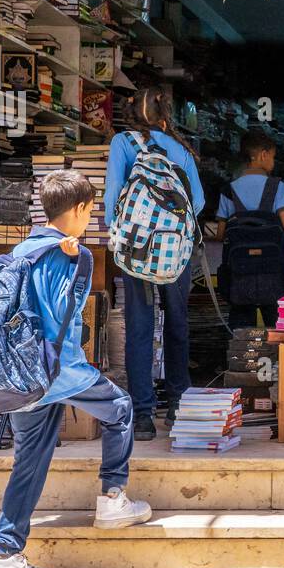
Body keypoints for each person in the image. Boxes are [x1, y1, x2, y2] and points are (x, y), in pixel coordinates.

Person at [0, 170, 152, 568]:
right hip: (56, 370)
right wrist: (77, 264)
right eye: (91, 209)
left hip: (18, 373)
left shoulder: (20, 250)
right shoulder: (71, 253)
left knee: (30, 463)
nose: (91, 217)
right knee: (120, 409)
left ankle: (5, 557)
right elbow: (60, 318)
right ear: (78, 209)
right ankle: (113, 499)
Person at [104, 87, 205, 440]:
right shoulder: (182, 149)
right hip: (175, 254)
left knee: (140, 327)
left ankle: (143, 415)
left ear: (132, 115)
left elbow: (113, 193)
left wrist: (119, 234)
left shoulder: (123, 143)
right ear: (166, 117)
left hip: (137, 253)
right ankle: (178, 404)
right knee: (178, 323)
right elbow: (199, 202)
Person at [214, 130, 284, 328]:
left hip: (240, 276)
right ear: (263, 155)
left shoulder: (228, 189)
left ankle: (240, 357)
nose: (273, 163)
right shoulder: (277, 186)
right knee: (276, 326)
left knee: (240, 328)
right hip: (272, 275)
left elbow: (220, 233)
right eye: (273, 157)